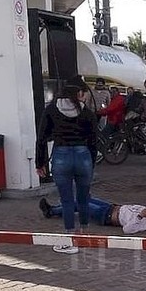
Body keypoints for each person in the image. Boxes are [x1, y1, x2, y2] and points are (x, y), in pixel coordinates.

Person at [35, 84, 98, 254]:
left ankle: (70, 238)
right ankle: (84, 234)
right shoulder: (86, 112)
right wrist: (91, 162)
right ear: (77, 93)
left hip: (61, 155)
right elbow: (94, 140)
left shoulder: (51, 110)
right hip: (83, 154)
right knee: (84, 198)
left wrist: (39, 163)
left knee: (67, 200)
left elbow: (41, 137)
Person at [40, 196, 146, 234]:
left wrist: (140, 216)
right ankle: (62, 207)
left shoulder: (144, 224)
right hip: (110, 207)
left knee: (79, 204)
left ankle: (51, 211)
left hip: (105, 216)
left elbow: (127, 229)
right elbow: (130, 207)